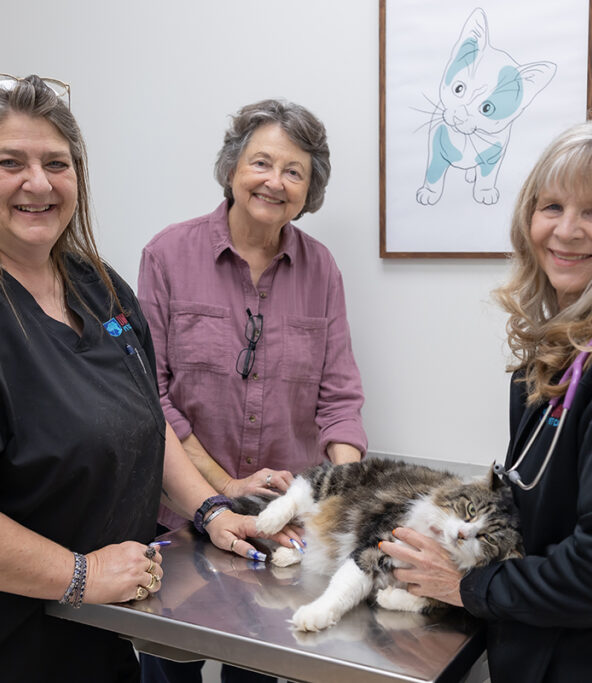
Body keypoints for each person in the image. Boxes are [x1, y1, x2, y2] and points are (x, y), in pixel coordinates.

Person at [0, 74, 297, 683]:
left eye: (56, 163)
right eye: (11, 162)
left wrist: (211, 510)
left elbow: (144, 418)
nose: (38, 182)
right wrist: (78, 574)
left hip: (88, 635)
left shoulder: (98, 287)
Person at [380, 120, 592, 682]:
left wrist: (467, 586)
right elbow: (541, 497)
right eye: (551, 206)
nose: (565, 231)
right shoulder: (573, 341)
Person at [136, 99, 368, 682]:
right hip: (178, 521)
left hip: (280, 530)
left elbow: (339, 398)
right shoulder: (167, 255)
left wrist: (341, 499)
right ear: (233, 168)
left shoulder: (323, 270)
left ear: (309, 189)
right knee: (170, 670)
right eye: (261, 162)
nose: (275, 182)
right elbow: (149, 396)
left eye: (294, 171)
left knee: (264, 671)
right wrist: (223, 488)